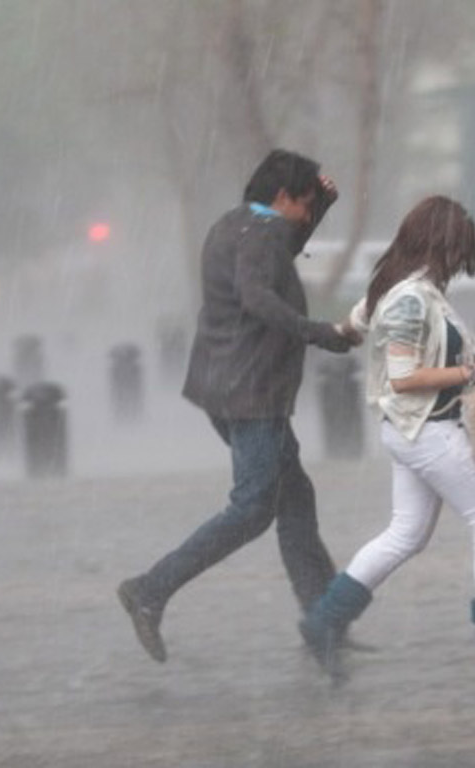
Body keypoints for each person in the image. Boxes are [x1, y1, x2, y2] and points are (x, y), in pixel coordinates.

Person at [299, 196, 475, 681]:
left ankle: (324, 622)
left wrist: (336, 332)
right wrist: (472, 371)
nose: (461, 262)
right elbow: (403, 377)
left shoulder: (396, 288)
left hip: (408, 432)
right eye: (460, 249)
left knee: (405, 534)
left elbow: (355, 322)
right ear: (443, 244)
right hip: (427, 432)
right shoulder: (410, 298)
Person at [117, 149, 361, 663]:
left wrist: (323, 209)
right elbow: (258, 294)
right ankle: (150, 590)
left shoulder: (235, 226)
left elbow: (277, 256)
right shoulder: (263, 236)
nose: (308, 211)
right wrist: (323, 334)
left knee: (294, 499)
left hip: (222, 385)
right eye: (307, 202)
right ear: (282, 197)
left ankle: (325, 617)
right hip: (253, 394)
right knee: (253, 508)